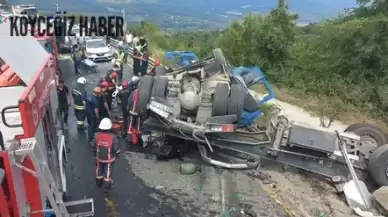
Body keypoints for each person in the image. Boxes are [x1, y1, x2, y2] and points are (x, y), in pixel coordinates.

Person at [94, 118, 120, 189]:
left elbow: (94, 146)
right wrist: (118, 154)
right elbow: (116, 148)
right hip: (109, 159)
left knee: (99, 168)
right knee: (108, 170)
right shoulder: (113, 137)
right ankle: (107, 185)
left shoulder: (96, 135)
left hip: (99, 158)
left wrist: (94, 154)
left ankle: (99, 182)